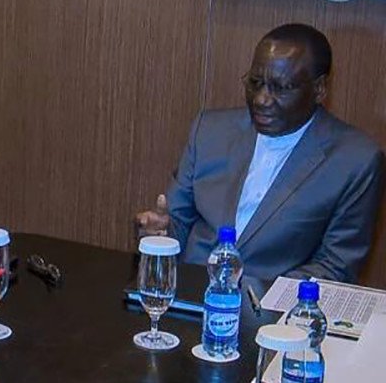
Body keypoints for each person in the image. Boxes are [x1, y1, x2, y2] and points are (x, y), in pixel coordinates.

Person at [136, 24, 383, 283]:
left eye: (281, 88)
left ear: (319, 89)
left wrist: (249, 294)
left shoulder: (355, 161)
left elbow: (335, 266)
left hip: (274, 304)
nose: (261, 99)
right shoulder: (209, 131)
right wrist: (159, 232)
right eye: (255, 83)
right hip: (191, 291)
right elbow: (177, 223)